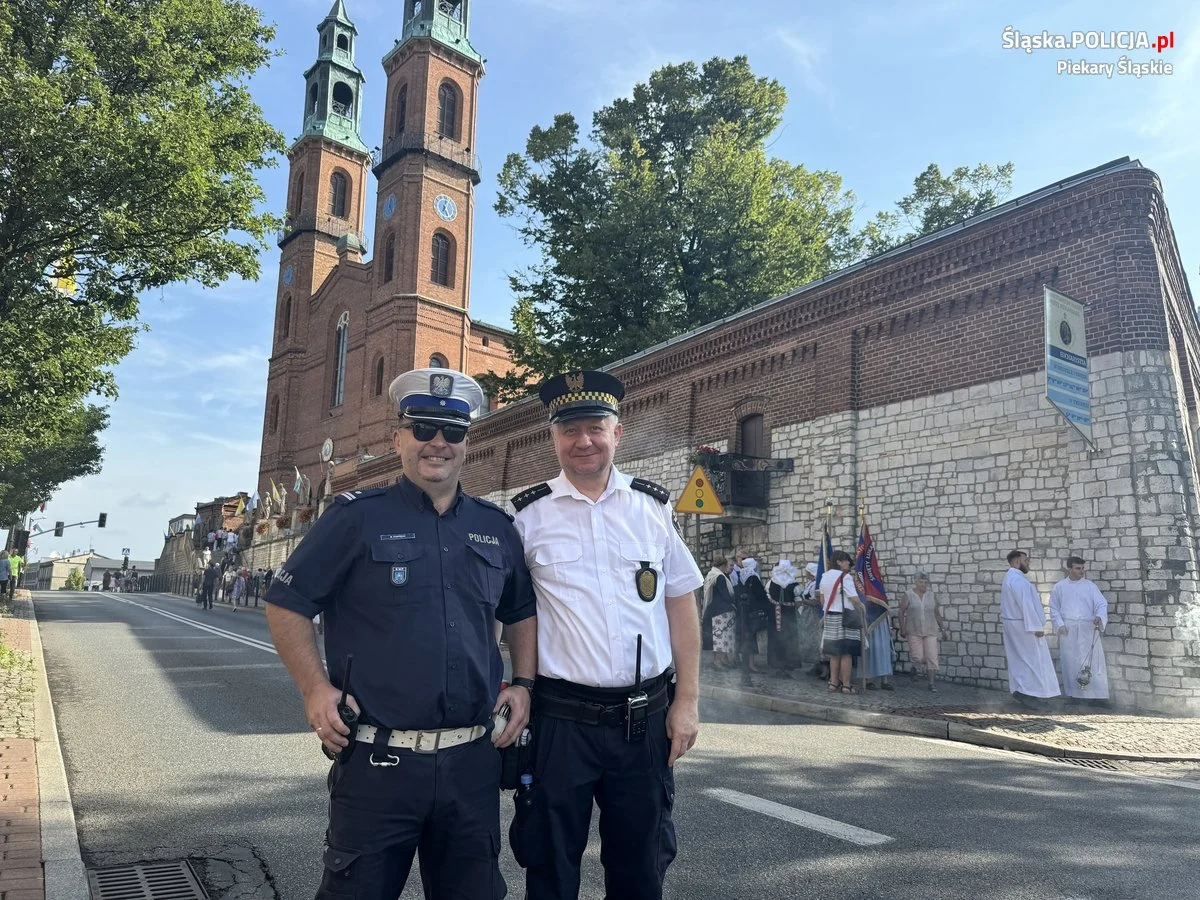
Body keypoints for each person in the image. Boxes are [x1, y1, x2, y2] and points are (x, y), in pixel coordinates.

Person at [265, 367, 537, 900]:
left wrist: (524, 682)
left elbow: (521, 609)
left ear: (468, 443)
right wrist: (315, 690)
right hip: (377, 765)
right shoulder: (355, 519)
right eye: (423, 428)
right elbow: (287, 602)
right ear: (399, 438)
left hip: (470, 765)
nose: (438, 442)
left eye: (453, 431)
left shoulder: (496, 527)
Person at [509, 369, 703, 900]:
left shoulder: (653, 508)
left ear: (618, 432)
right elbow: (511, 614)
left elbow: (681, 604)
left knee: (641, 870)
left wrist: (686, 702)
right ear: (553, 439)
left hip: (644, 722)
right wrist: (513, 687)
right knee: (549, 866)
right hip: (560, 723)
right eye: (569, 431)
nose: (584, 441)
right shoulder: (527, 519)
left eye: (596, 427)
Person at [1000, 550, 1060, 704]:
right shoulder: (1018, 581)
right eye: (1025, 560)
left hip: (1015, 624)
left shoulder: (1010, 577)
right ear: (1017, 561)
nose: (1028, 563)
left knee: (1021, 659)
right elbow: (1026, 605)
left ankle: (1024, 690)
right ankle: (1028, 692)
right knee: (1031, 659)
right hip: (1023, 626)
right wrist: (1035, 627)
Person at [1050, 556, 1110, 703]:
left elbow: (1102, 604)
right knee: (1071, 661)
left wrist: (1099, 617)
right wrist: (1060, 624)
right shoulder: (1059, 587)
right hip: (1068, 630)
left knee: (1093, 662)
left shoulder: (1090, 586)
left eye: (1083, 568)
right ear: (1069, 569)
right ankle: (1074, 696)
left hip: (1087, 629)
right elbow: (1053, 608)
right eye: (1078, 568)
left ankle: (1097, 697)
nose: (1081, 571)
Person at [819, 550, 865, 694]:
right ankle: (846, 685)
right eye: (846, 561)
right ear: (839, 562)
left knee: (834, 653)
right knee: (846, 653)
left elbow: (822, 599)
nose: (849, 563)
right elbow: (854, 598)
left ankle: (833, 683)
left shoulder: (824, 576)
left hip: (830, 617)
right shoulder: (845, 577)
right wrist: (863, 608)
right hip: (845, 617)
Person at [899, 573, 948, 691]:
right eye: (921, 582)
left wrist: (943, 629)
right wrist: (902, 628)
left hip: (930, 630)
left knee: (932, 656)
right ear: (916, 582)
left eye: (926, 582)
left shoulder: (931, 595)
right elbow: (901, 612)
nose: (923, 585)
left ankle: (931, 684)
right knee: (918, 657)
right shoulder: (908, 595)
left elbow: (936, 613)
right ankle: (914, 668)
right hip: (914, 630)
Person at [735, 557, 770, 684]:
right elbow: (761, 594)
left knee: (746, 638)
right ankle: (750, 666)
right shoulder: (753, 578)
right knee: (750, 639)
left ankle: (748, 666)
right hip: (753, 613)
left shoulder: (741, 577)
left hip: (743, 613)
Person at [767, 559, 803, 675]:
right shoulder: (793, 583)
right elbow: (798, 600)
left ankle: (775, 661)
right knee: (790, 636)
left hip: (774, 613)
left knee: (776, 635)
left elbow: (767, 595)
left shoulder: (771, 582)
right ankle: (790, 662)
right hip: (789, 613)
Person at [703, 555, 737, 668]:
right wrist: (734, 599)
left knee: (717, 636)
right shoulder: (720, 577)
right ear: (722, 565)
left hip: (713, 609)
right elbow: (726, 595)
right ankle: (718, 661)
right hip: (722, 611)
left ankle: (719, 660)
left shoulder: (711, 575)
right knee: (722, 638)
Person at [796, 562, 825, 675]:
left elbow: (816, 602)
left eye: (807, 571)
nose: (805, 573)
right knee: (810, 638)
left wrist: (802, 601)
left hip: (813, 613)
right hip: (807, 613)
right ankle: (815, 664)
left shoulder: (815, 585)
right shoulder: (810, 583)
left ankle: (820, 665)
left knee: (815, 638)